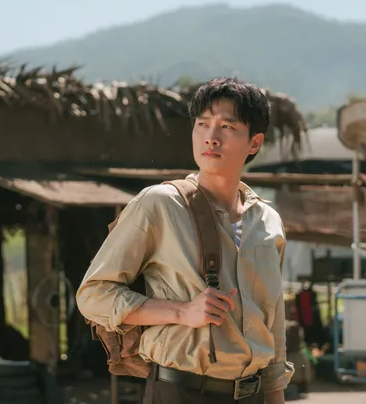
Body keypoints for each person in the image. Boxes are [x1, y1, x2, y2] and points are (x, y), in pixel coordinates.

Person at [76, 77, 294, 404]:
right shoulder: (161, 204)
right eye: (203, 124)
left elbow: (273, 323)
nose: (211, 137)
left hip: (254, 394)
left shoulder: (268, 221)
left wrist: (276, 395)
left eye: (227, 127)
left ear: (254, 142)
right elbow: (93, 295)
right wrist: (180, 312)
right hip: (180, 392)